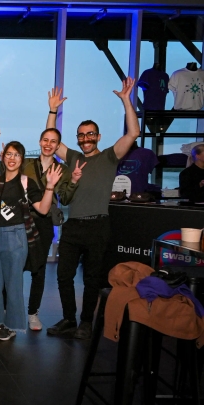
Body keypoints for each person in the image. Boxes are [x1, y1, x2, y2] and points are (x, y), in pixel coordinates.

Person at [44, 77, 141, 340]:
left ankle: (86, 322)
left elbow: (133, 133)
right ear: (78, 138)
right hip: (73, 226)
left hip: (98, 225)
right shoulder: (74, 157)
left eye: (90, 134)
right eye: (81, 135)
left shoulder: (110, 156)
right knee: (63, 277)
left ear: (98, 136)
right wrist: (53, 111)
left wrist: (126, 101)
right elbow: (51, 140)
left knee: (91, 280)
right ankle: (68, 319)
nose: (85, 139)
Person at [0, 141, 62, 341]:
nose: (12, 158)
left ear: (21, 159)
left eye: (16, 155)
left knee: (13, 284)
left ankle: (13, 325)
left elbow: (42, 209)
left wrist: (50, 186)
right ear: (2, 157)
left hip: (15, 236)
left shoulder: (26, 182)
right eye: (9, 154)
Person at [22, 128, 82, 331]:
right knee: (12, 267)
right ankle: (7, 309)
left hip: (44, 223)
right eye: (45, 140)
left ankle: (33, 313)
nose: (48, 144)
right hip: (20, 221)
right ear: (39, 142)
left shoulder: (63, 170)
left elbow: (65, 198)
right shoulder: (25, 164)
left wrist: (73, 181)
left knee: (38, 270)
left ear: (58, 146)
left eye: (53, 141)